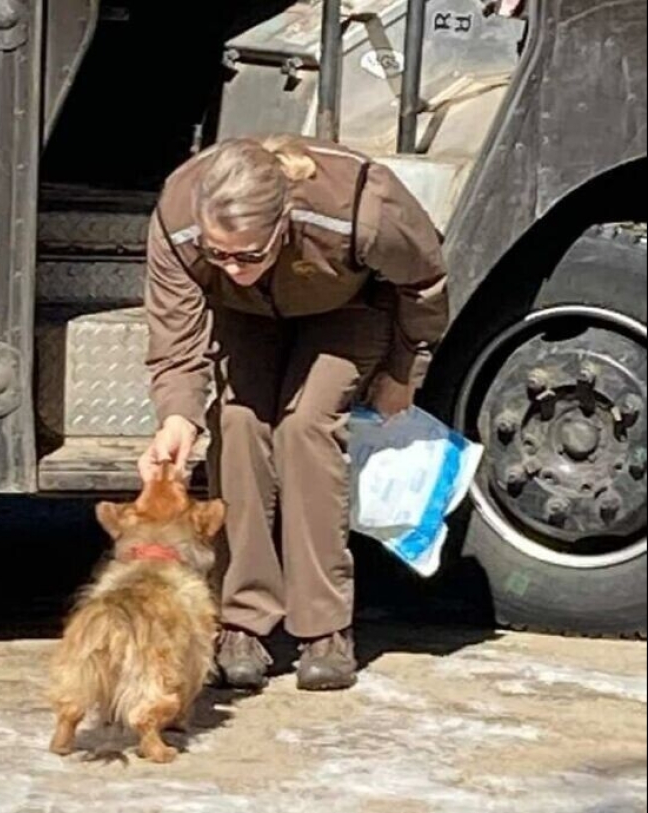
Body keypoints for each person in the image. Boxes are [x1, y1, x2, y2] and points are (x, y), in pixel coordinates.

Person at [138, 135, 449, 691]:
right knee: (235, 421)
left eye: (248, 254)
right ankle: (242, 622)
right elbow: (176, 337)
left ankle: (324, 630)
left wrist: (404, 371)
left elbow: (424, 280)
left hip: (346, 308)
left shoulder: (359, 207)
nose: (232, 266)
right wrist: (177, 418)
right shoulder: (179, 218)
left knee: (305, 427)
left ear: (283, 223)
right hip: (244, 318)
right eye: (219, 254)